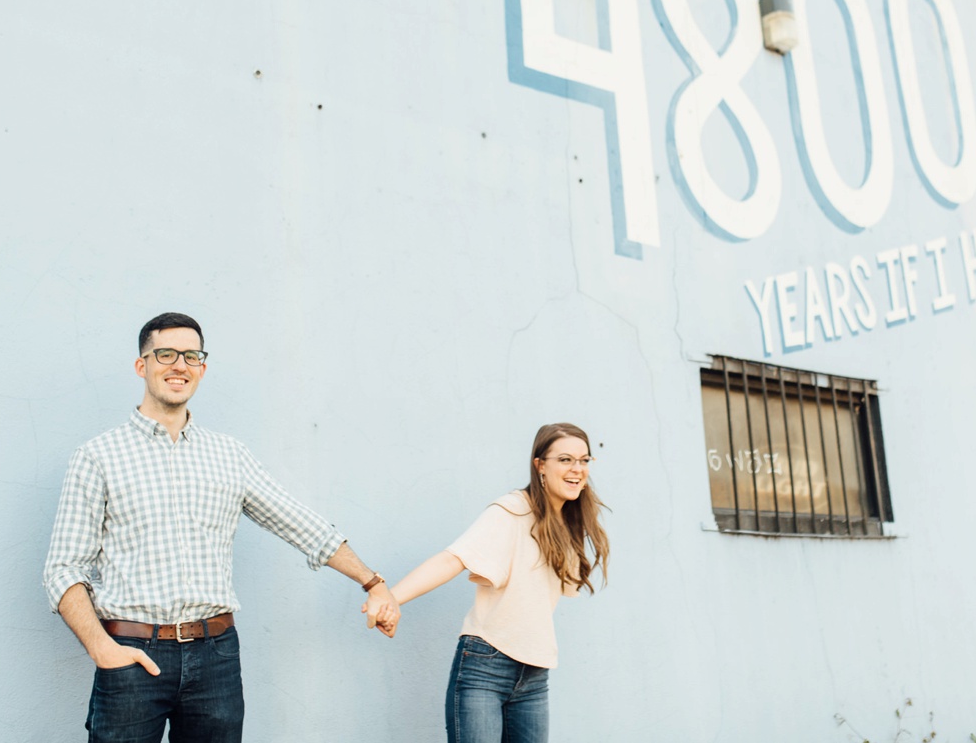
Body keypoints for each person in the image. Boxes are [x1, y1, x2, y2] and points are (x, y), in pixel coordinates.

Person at [42, 312, 399, 742]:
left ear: (202, 369)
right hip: (133, 655)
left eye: (191, 356)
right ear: (142, 365)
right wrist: (102, 649)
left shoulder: (229, 455)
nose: (180, 365)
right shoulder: (98, 456)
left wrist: (371, 581)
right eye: (166, 354)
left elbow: (300, 523)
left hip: (216, 659)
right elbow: (64, 569)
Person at [388, 422, 610, 743]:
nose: (577, 469)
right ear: (540, 465)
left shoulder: (567, 522)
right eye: (565, 459)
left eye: (584, 460)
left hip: (535, 674)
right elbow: (453, 558)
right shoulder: (512, 510)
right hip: (485, 667)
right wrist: (391, 598)